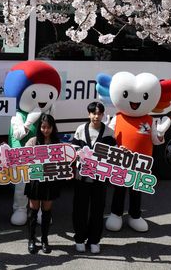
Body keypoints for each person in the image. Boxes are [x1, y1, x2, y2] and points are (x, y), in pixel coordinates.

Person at [71, 102, 116, 254]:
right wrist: (79, 154)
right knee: (80, 209)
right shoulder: (80, 130)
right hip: (81, 178)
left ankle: (94, 240)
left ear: (103, 115)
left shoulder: (109, 132)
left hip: (100, 178)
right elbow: (74, 148)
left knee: (98, 210)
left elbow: (113, 154)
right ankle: (79, 238)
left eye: (99, 113)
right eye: (93, 113)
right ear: (88, 114)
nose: (96, 116)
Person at [24, 114, 62, 254]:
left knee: (46, 212)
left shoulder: (57, 143)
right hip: (35, 180)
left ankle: (45, 239)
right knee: (33, 211)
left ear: (53, 128)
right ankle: (32, 239)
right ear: (39, 127)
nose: (45, 130)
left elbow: (63, 162)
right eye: (43, 127)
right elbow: (24, 159)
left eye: (48, 127)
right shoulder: (33, 141)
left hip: (50, 181)